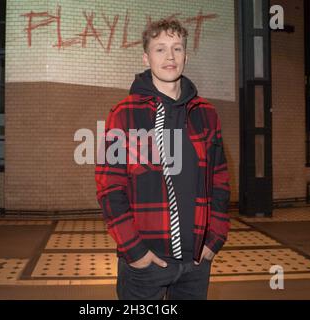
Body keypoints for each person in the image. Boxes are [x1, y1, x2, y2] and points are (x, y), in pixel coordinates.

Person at [95, 18, 230, 300]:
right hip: (145, 263)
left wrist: (214, 238)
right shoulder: (123, 113)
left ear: (185, 56)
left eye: (177, 48)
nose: (170, 57)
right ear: (146, 57)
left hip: (195, 263)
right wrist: (135, 251)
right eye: (160, 49)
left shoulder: (206, 114)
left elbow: (219, 181)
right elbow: (110, 188)